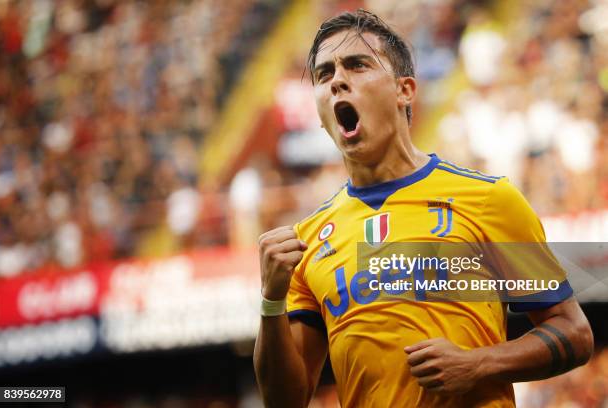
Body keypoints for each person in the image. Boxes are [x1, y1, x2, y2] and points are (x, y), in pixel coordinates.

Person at [253, 9, 593, 408]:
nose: (338, 80)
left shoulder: (487, 200)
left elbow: (573, 333)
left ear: (405, 91)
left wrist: (477, 364)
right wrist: (271, 300)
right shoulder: (308, 242)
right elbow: (284, 401)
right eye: (324, 74)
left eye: (357, 65)